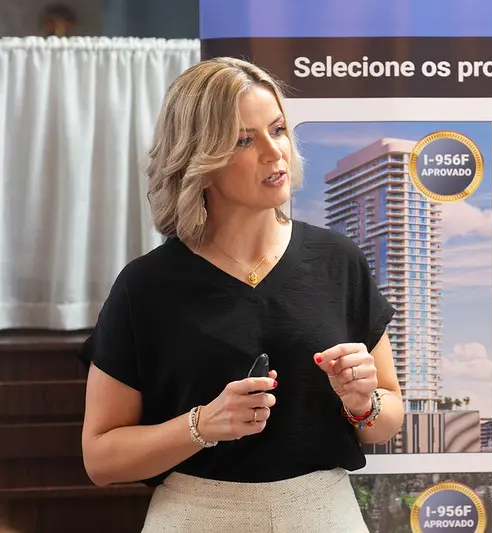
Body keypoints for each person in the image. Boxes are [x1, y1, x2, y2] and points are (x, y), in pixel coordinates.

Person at [78, 56, 404, 532]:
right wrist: (202, 425)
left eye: (278, 130)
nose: (275, 153)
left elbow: (386, 420)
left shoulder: (339, 260)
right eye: (243, 140)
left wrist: (362, 401)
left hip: (325, 515)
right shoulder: (145, 286)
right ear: (198, 160)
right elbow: (100, 459)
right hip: (196, 518)